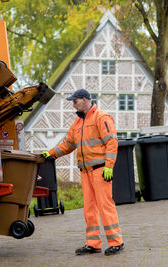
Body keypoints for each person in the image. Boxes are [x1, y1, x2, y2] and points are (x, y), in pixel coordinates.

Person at [42, 89, 124, 256]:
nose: (73, 104)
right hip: (86, 172)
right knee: (89, 209)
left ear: (86, 100)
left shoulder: (101, 117)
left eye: (75, 101)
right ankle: (93, 243)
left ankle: (117, 242)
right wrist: (50, 153)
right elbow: (67, 144)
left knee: (105, 206)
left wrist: (109, 166)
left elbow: (112, 142)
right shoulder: (78, 123)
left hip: (101, 170)